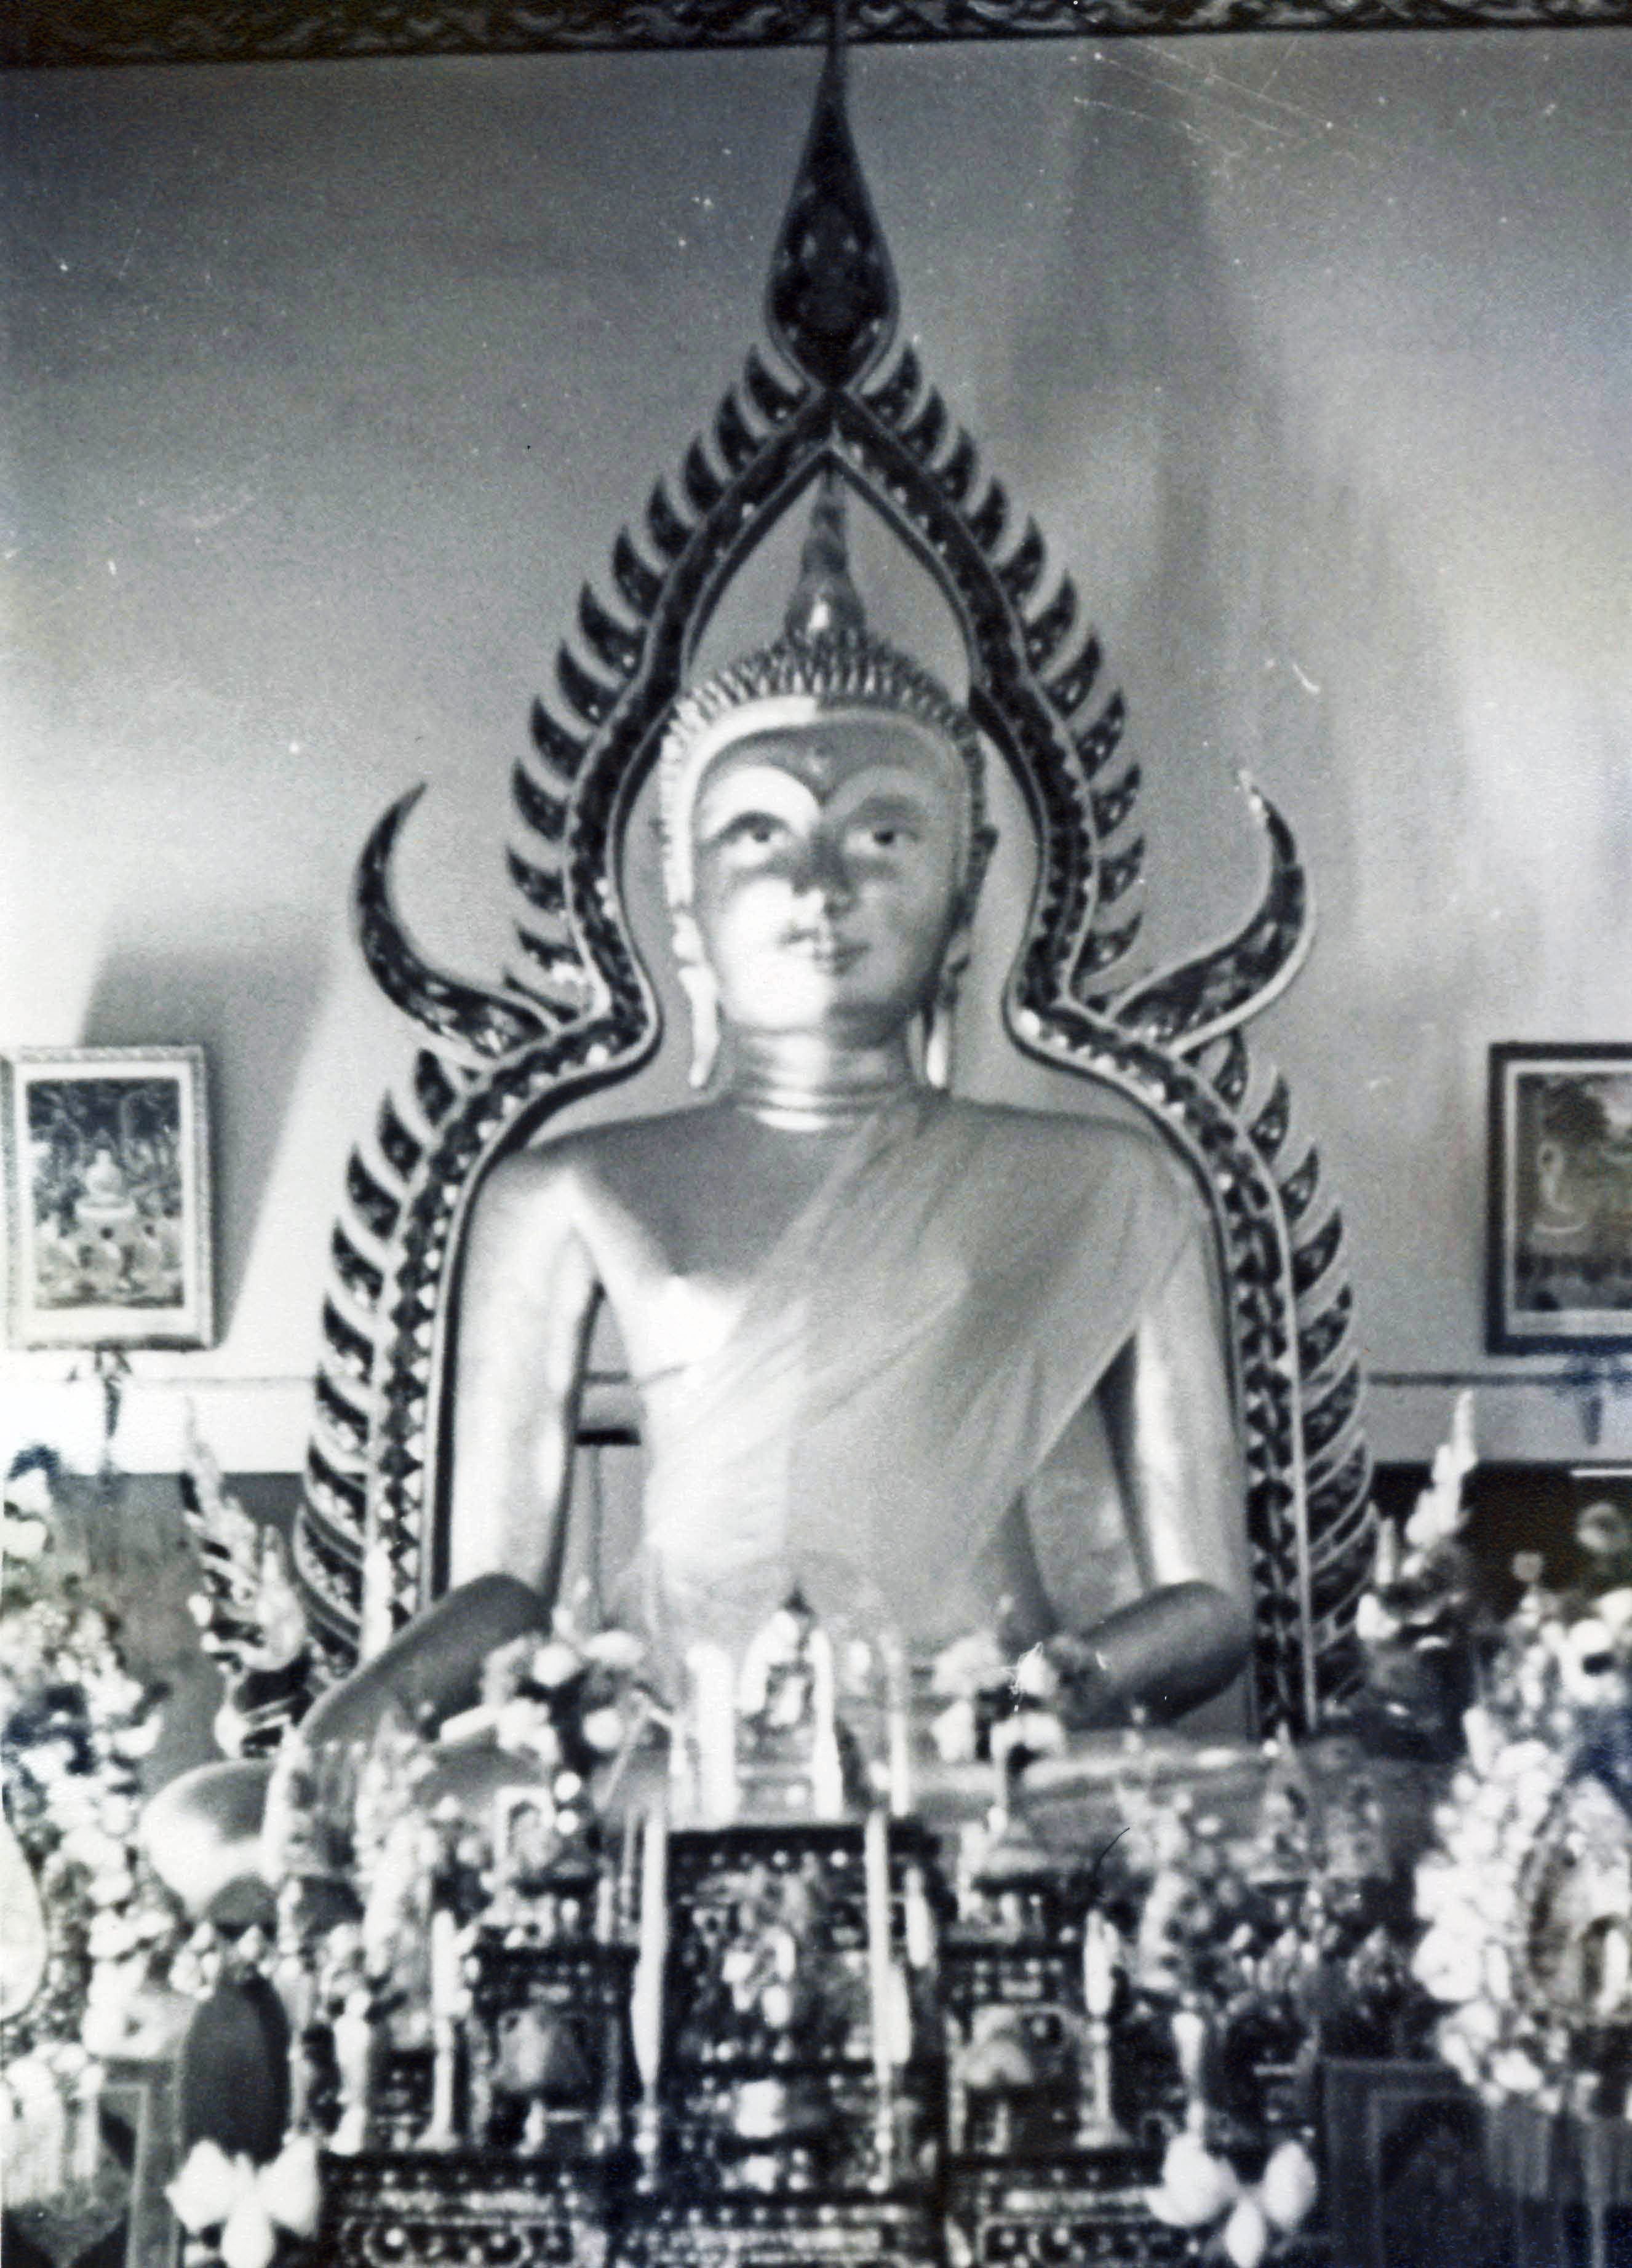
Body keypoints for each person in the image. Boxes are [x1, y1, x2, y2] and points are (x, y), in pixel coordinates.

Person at [145, 488, 1251, 1908]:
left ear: (969, 892)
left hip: (978, 1758)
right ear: (680, 904)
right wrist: (353, 1720)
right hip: (669, 1734)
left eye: (881, 836)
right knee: (212, 1819)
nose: (818, 883)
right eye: (760, 836)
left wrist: (1053, 1688)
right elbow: (501, 1591)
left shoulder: (1112, 1180)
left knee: (1343, 1810)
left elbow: (1209, 1601)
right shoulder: (567, 1185)